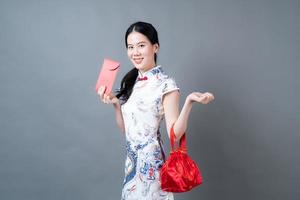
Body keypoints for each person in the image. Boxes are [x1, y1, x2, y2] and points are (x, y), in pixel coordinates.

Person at [97, 21, 214, 200]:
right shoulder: (133, 82)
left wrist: (189, 102)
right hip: (131, 168)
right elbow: (127, 131)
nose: (135, 52)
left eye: (141, 45)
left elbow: (174, 133)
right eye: (130, 47)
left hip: (151, 169)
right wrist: (116, 104)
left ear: (155, 47)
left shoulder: (166, 85)